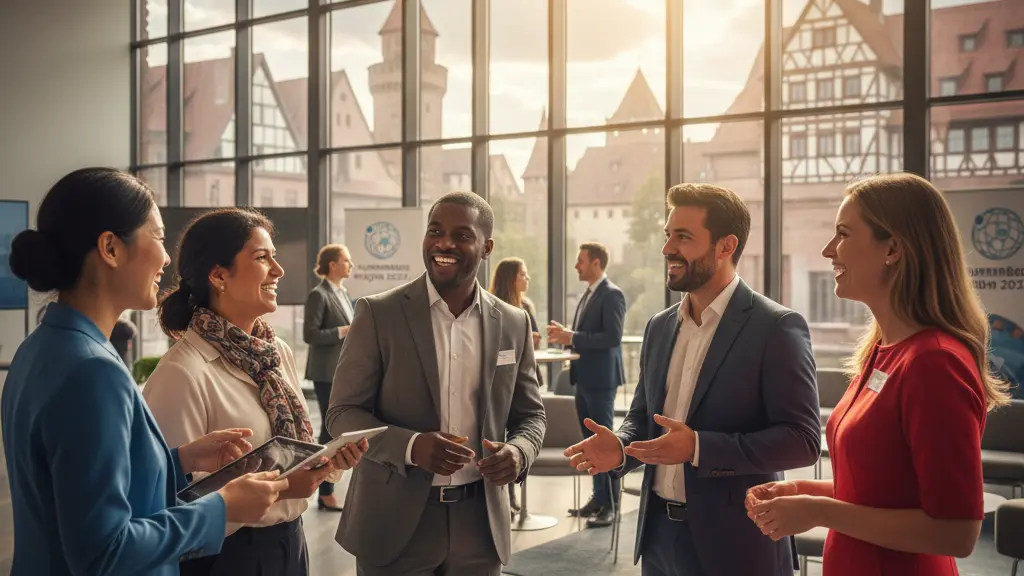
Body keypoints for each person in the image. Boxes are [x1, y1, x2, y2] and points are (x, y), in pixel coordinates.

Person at [1, 168, 288, 576]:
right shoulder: (92, 371)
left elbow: (69, 488)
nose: (167, 257)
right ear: (110, 248)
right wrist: (220, 509)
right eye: (158, 237)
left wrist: (178, 460)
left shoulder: (41, 347)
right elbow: (104, 551)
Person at [745, 173, 1012, 575]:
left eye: (843, 234)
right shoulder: (883, 353)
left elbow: (957, 531)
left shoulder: (934, 363)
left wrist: (820, 510)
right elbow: (885, 490)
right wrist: (804, 491)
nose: (828, 250)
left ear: (894, 248)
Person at [565, 183, 822, 576]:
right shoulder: (659, 327)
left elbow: (802, 442)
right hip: (657, 539)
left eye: (683, 237)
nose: (668, 248)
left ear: (725, 246)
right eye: (668, 235)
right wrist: (620, 447)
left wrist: (699, 447)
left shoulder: (776, 327)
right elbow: (645, 418)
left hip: (737, 542)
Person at [327, 191, 547, 575]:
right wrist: (411, 446)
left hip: (481, 525)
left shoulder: (514, 322)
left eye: (462, 235)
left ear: (486, 247)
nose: (444, 243)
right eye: (435, 231)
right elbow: (342, 414)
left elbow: (531, 415)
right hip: (394, 523)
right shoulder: (379, 313)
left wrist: (520, 452)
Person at [142, 208, 367, 576]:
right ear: (218, 275)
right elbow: (171, 504)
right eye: (263, 258)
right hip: (226, 557)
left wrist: (326, 464)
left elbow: (290, 455)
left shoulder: (276, 351)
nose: (279, 270)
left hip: (290, 542)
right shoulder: (182, 373)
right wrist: (282, 488)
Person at [547, 242, 626, 528]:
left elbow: (612, 338)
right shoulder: (588, 295)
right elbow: (586, 335)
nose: (577, 266)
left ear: (595, 263)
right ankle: (599, 498)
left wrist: (573, 336)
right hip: (583, 379)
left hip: (601, 381)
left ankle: (612, 506)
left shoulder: (612, 295)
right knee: (589, 445)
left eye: (580, 261)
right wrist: (567, 336)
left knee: (604, 444)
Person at [303, 243, 356, 511]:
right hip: (325, 373)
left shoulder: (343, 293)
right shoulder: (318, 294)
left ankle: (326, 488)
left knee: (335, 427)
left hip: (340, 371)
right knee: (329, 429)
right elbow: (309, 335)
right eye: (346, 260)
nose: (351, 265)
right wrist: (342, 331)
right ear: (333, 265)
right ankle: (324, 490)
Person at [488, 256, 543, 514]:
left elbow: (534, 343)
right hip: (498, 382)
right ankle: (505, 495)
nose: (527, 278)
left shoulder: (526, 308)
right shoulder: (491, 308)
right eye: (523, 274)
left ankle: (511, 492)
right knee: (498, 434)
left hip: (521, 379)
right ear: (511, 277)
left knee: (519, 433)